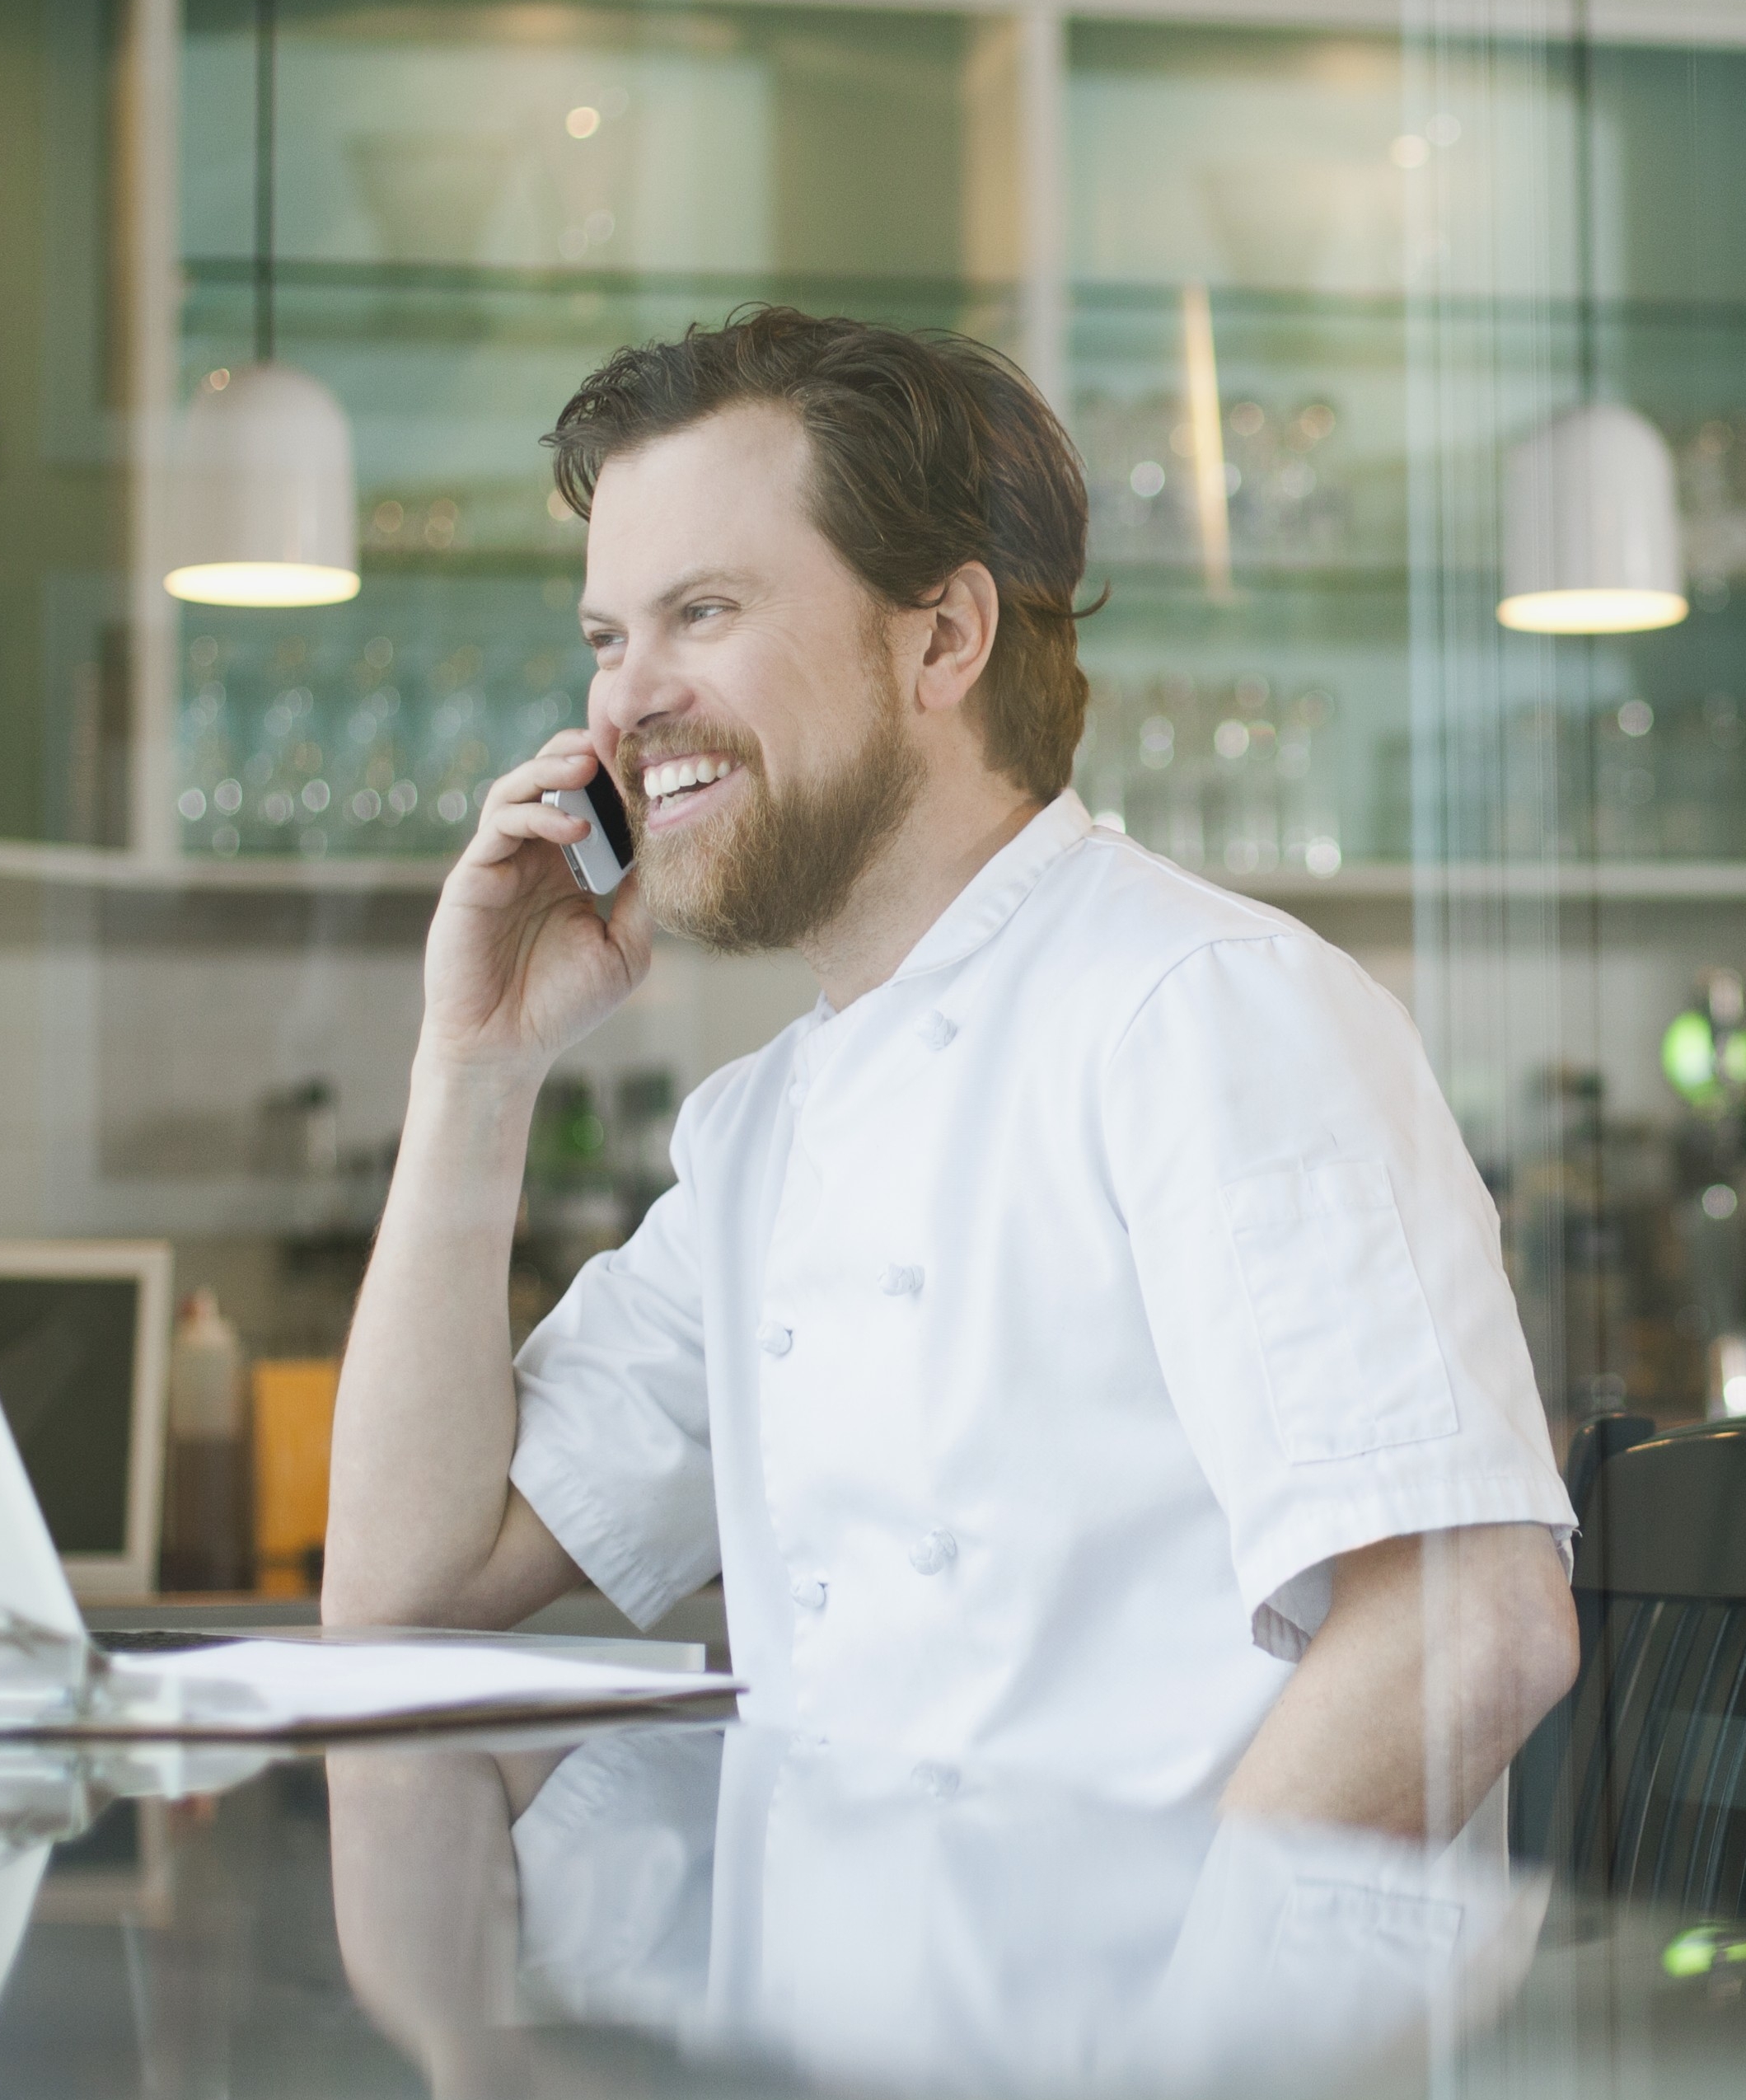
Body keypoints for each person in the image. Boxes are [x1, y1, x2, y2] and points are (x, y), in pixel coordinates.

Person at [323, 311, 1580, 1840]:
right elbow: (407, 1586)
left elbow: (1467, 1627)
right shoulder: (763, 1130)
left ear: (943, 639)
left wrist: (1161, 2065)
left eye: (700, 612)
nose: (622, 702)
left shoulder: (1201, 1012)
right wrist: (475, 1069)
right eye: (605, 637)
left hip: (1168, 2060)